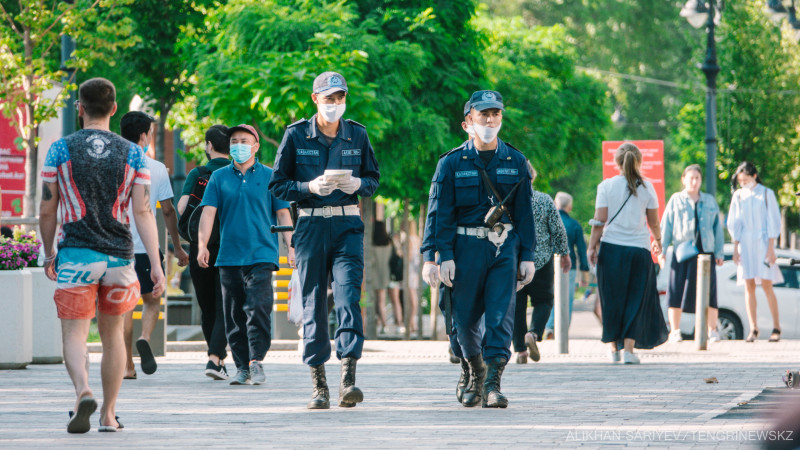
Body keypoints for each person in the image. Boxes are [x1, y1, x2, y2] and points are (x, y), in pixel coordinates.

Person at [39, 77, 165, 433]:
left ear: (79, 108)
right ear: (113, 109)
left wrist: (49, 253)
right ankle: (109, 415)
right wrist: (155, 265)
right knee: (113, 338)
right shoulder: (134, 153)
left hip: (77, 256)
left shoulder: (59, 150)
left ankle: (83, 391)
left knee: (75, 336)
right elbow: (143, 212)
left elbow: (48, 209)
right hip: (120, 260)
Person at [270, 71, 380, 409]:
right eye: (329, 98)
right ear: (315, 99)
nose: (335, 104)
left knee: (348, 299)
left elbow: (374, 179)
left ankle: (348, 379)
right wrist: (308, 188)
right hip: (310, 227)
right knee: (314, 304)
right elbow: (277, 185)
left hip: (347, 225)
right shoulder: (295, 135)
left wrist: (357, 185)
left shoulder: (357, 135)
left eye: (340, 98)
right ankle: (319, 386)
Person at [435, 90, 536, 408]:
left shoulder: (516, 161)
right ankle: (474, 371)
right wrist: (443, 255)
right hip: (465, 249)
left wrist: (528, 256)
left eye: (495, 114)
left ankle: (492, 383)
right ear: (468, 122)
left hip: (503, 247)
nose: (490, 120)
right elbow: (441, 214)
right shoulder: (452, 163)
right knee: (462, 322)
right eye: (483, 115)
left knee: (499, 317)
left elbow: (524, 214)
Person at [197, 124, 294, 385]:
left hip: (262, 254)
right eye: (234, 141)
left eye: (244, 140)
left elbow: (283, 213)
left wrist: (291, 245)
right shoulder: (218, 178)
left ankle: (256, 360)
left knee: (259, 308)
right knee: (234, 315)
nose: (239, 145)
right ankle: (241, 366)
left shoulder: (270, 176)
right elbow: (208, 213)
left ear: (256, 146)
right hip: (229, 256)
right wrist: (202, 245)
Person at [119, 111, 189, 379]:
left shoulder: (113, 162)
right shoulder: (157, 168)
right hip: (147, 249)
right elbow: (168, 211)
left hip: (118, 249)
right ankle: (146, 337)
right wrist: (178, 248)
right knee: (152, 299)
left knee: (124, 306)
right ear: (144, 135)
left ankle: (127, 365)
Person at [587, 142, 667, 365]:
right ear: (639, 161)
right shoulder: (648, 188)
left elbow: (599, 221)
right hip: (639, 251)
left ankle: (614, 349)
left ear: (617, 162)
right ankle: (629, 351)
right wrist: (658, 242)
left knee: (611, 299)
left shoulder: (606, 186)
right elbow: (654, 223)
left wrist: (592, 247)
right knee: (635, 300)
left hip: (611, 250)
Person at [420, 100, 474, 402]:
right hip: (451, 252)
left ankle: (480, 376)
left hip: (488, 254)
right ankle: (465, 366)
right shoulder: (451, 162)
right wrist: (430, 258)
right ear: (467, 123)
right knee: (452, 314)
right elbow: (435, 212)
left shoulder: (503, 159)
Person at [177, 124, 231, 380]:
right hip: (230, 247)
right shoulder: (236, 173)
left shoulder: (197, 173)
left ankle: (215, 357)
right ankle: (216, 357)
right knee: (225, 306)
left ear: (208, 146)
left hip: (201, 246)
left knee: (208, 306)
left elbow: (181, 208)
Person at [660, 165, 724, 343]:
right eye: (691, 178)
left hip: (705, 252)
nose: (694, 181)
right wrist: (662, 250)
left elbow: (717, 229)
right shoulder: (676, 200)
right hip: (683, 252)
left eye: (697, 178)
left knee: (710, 293)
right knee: (676, 290)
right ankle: (675, 330)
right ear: (683, 179)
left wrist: (719, 252)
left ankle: (712, 330)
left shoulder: (709, 201)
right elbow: (667, 226)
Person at [513, 182, 569, 364]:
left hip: (515, 261)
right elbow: (558, 229)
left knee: (517, 306)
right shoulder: (544, 200)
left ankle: (520, 351)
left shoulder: (508, 200)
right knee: (544, 301)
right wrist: (564, 253)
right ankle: (534, 333)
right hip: (542, 262)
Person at [727, 161, 782, 342]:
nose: (743, 184)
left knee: (767, 284)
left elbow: (774, 220)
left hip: (763, 242)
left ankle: (776, 327)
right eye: (741, 181)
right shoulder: (739, 196)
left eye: (746, 180)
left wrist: (771, 248)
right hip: (745, 242)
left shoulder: (766, 194)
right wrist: (735, 247)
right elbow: (735, 222)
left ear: (754, 176)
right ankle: (753, 328)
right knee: (748, 284)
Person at [543, 192, 590, 340]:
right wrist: (584, 273)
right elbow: (582, 251)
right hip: (568, 267)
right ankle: (561, 331)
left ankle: (549, 327)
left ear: (556, 204)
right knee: (567, 300)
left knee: (550, 297)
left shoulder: (546, 221)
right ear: (570, 206)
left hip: (548, 264)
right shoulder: (575, 224)